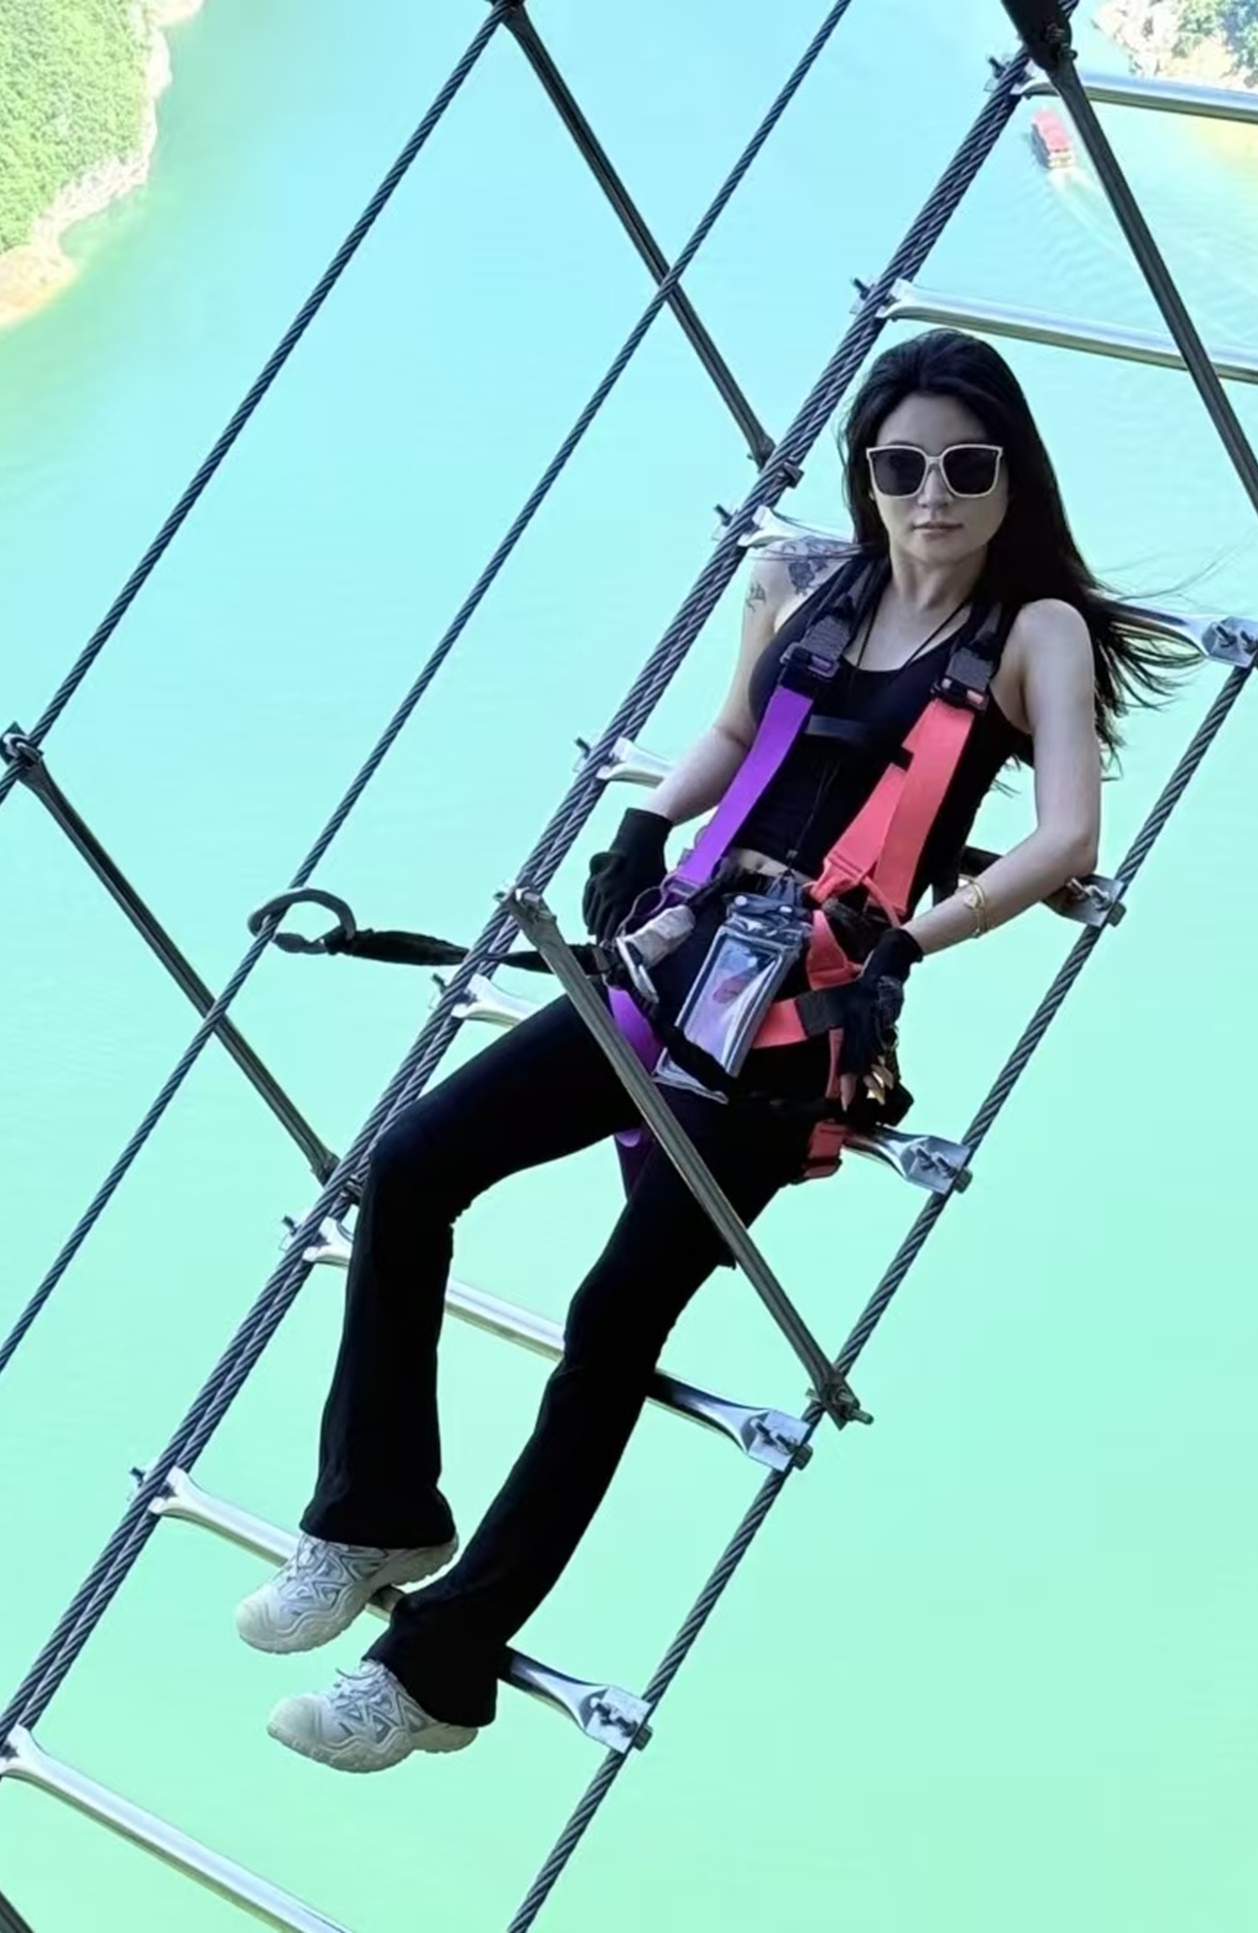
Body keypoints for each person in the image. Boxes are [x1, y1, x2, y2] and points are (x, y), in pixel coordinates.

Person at [240, 328, 1190, 1773]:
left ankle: (435, 1672)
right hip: (673, 961)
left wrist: (912, 942)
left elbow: (1065, 836)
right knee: (415, 1164)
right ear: (865, 475)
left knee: (615, 1315)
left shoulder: (1033, 633)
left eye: (966, 466)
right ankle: (376, 1512)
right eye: (902, 468)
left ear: (1012, 476)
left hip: (800, 1030)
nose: (933, 496)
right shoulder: (802, 582)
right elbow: (740, 730)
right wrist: (645, 823)